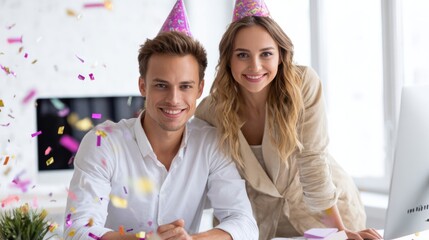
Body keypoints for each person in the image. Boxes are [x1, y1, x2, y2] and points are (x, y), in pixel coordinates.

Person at [63, 1, 258, 239]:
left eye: (185, 86)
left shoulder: (211, 143)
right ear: (143, 86)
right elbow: (77, 230)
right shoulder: (103, 143)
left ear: (199, 89)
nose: (174, 99)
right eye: (161, 85)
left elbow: (244, 224)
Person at [195, 1, 382, 240]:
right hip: (261, 224)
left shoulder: (303, 85)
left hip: (327, 215)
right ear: (228, 60)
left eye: (266, 54)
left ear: (281, 56)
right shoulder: (210, 111)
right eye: (242, 55)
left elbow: (312, 163)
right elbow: (208, 181)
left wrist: (339, 233)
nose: (255, 66)